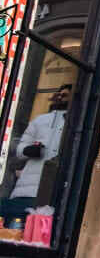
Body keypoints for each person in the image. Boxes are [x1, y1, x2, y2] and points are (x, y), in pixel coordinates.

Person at [3, 84, 68, 216]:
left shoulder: (76, 123)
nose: (60, 97)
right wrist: (29, 150)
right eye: (59, 94)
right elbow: (20, 148)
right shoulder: (40, 120)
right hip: (28, 189)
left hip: (57, 190)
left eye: (65, 95)